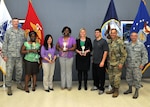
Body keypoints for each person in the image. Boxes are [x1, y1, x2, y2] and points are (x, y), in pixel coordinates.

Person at [2, 18, 25, 95]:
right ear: (12, 23)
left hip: (19, 55)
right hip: (10, 55)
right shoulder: (8, 32)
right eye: (14, 22)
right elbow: (5, 43)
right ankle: (9, 87)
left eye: (17, 22)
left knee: (19, 71)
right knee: (9, 72)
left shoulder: (22, 32)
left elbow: (25, 43)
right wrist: (4, 55)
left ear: (18, 23)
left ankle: (18, 84)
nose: (16, 23)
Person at [124, 32, 148, 99]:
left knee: (137, 78)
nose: (133, 37)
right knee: (129, 77)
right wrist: (126, 62)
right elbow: (125, 55)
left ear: (137, 37)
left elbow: (145, 55)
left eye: (135, 36)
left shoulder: (141, 45)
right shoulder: (128, 45)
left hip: (137, 65)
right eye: (132, 36)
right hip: (129, 64)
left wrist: (142, 64)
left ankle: (136, 91)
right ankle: (130, 89)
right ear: (130, 37)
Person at [106, 29, 127, 98]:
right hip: (110, 63)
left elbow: (124, 54)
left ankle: (116, 90)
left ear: (116, 33)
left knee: (116, 78)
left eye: (114, 33)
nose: (113, 34)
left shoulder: (120, 42)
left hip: (117, 63)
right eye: (111, 33)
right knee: (111, 77)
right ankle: (112, 89)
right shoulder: (109, 41)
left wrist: (121, 63)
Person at [56, 26, 76, 91]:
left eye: (67, 30)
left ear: (69, 32)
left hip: (69, 56)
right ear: (63, 31)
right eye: (65, 30)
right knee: (63, 71)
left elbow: (74, 47)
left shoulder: (72, 39)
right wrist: (60, 49)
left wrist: (68, 49)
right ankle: (63, 85)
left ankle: (69, 86)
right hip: (61, 56)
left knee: (69, 71)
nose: (66, 31)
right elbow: (57, 46)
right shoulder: (60, 39)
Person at [91, 29, 109, 95]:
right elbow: (94, 51)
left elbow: (105, 52)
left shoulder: (104, 41)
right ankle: (96, 85)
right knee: (95, 75)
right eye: (95, 32)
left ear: (100, 33)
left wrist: (103, 61)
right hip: (94, 61)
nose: (96, 34)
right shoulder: (94, 41)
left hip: (101, 62)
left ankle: (101, 88)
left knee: (101, 76)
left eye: (97, 32)